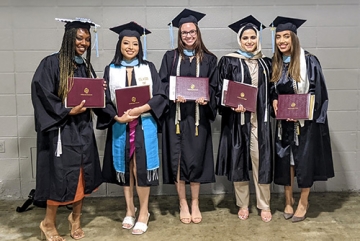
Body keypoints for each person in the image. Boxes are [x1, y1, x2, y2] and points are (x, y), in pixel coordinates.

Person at [31, 18, 103, 241]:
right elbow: (41, 93)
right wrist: (65, 110)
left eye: (88, 39)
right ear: (69, 38)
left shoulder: (84, 65)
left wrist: (102, 97)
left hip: (82, 129)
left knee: (82, 175)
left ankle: (76, 218)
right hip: (61, 131)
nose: (84, 43)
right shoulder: (51, 63)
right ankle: (48, 223)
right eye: (80, 38)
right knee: (59, 177)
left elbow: (92, 97)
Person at [97, 22, 167, 235]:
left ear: (140, 46)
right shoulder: (110, 70)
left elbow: (161, 96)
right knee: (126, 168)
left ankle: (144, 212)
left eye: (134, 43)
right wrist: (116, 117)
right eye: (126, 43)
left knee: (141, 168)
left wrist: (139, 110)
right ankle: (130, 209)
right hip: (121, 125)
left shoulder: (149, 67)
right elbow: (105, 100)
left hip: (144, 125)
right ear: (120, 45)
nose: (130, 47)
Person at [270, 16, 334, 222]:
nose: (282, 41)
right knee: (286, 162)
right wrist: (274, 103)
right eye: (278, 37)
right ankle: (288, 200)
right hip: (283, 124)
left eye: (286, 36)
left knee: (304, 163)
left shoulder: (309, 61)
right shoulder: (277, 63)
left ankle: (303, 202)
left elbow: (320, 94)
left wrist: (302, 113)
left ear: (294, 38)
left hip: (305, 125)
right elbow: (274, 92)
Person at [159, 8, 217, 224]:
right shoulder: (170, 57)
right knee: (178, 159)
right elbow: (161, 84)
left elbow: (215, 87)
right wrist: (172, 95)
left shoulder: (210, 59)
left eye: (192, 31)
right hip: (175, 117)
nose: (189, 36)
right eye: (184, 32)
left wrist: (208, 98)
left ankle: (195, 202)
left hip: (198, 118)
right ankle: (182, 202)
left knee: (196, 158)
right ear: (179, 34)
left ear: (198, 32)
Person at [215, 15, 273, 222]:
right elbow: (220, 92)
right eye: (245, 38)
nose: (249, 41)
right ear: (239, 40)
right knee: (239, 160)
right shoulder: (229, 61)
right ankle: (243, 204)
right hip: (238, 121)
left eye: (253, 37)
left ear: (258, 39)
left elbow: (273, 91)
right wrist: (230, 105)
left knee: (261, 161)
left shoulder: (266, 63)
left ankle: (264, 204)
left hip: (260, 120)